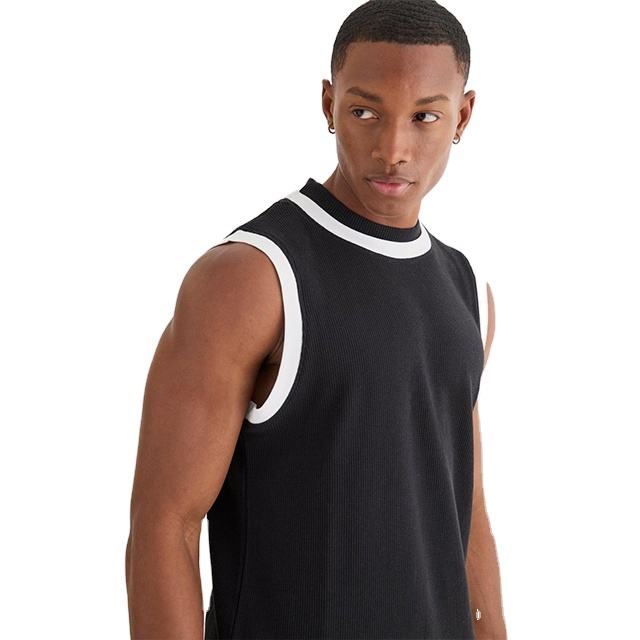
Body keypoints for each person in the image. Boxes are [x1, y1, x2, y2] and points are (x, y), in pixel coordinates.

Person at [125, 1, 507, 638]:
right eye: (365, 112)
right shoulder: (251, 277)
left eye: (424, 117)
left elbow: (464, 518)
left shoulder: (465, 287)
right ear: (328, 104)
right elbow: (163, 527)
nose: (393, 149)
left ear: (462, 116)